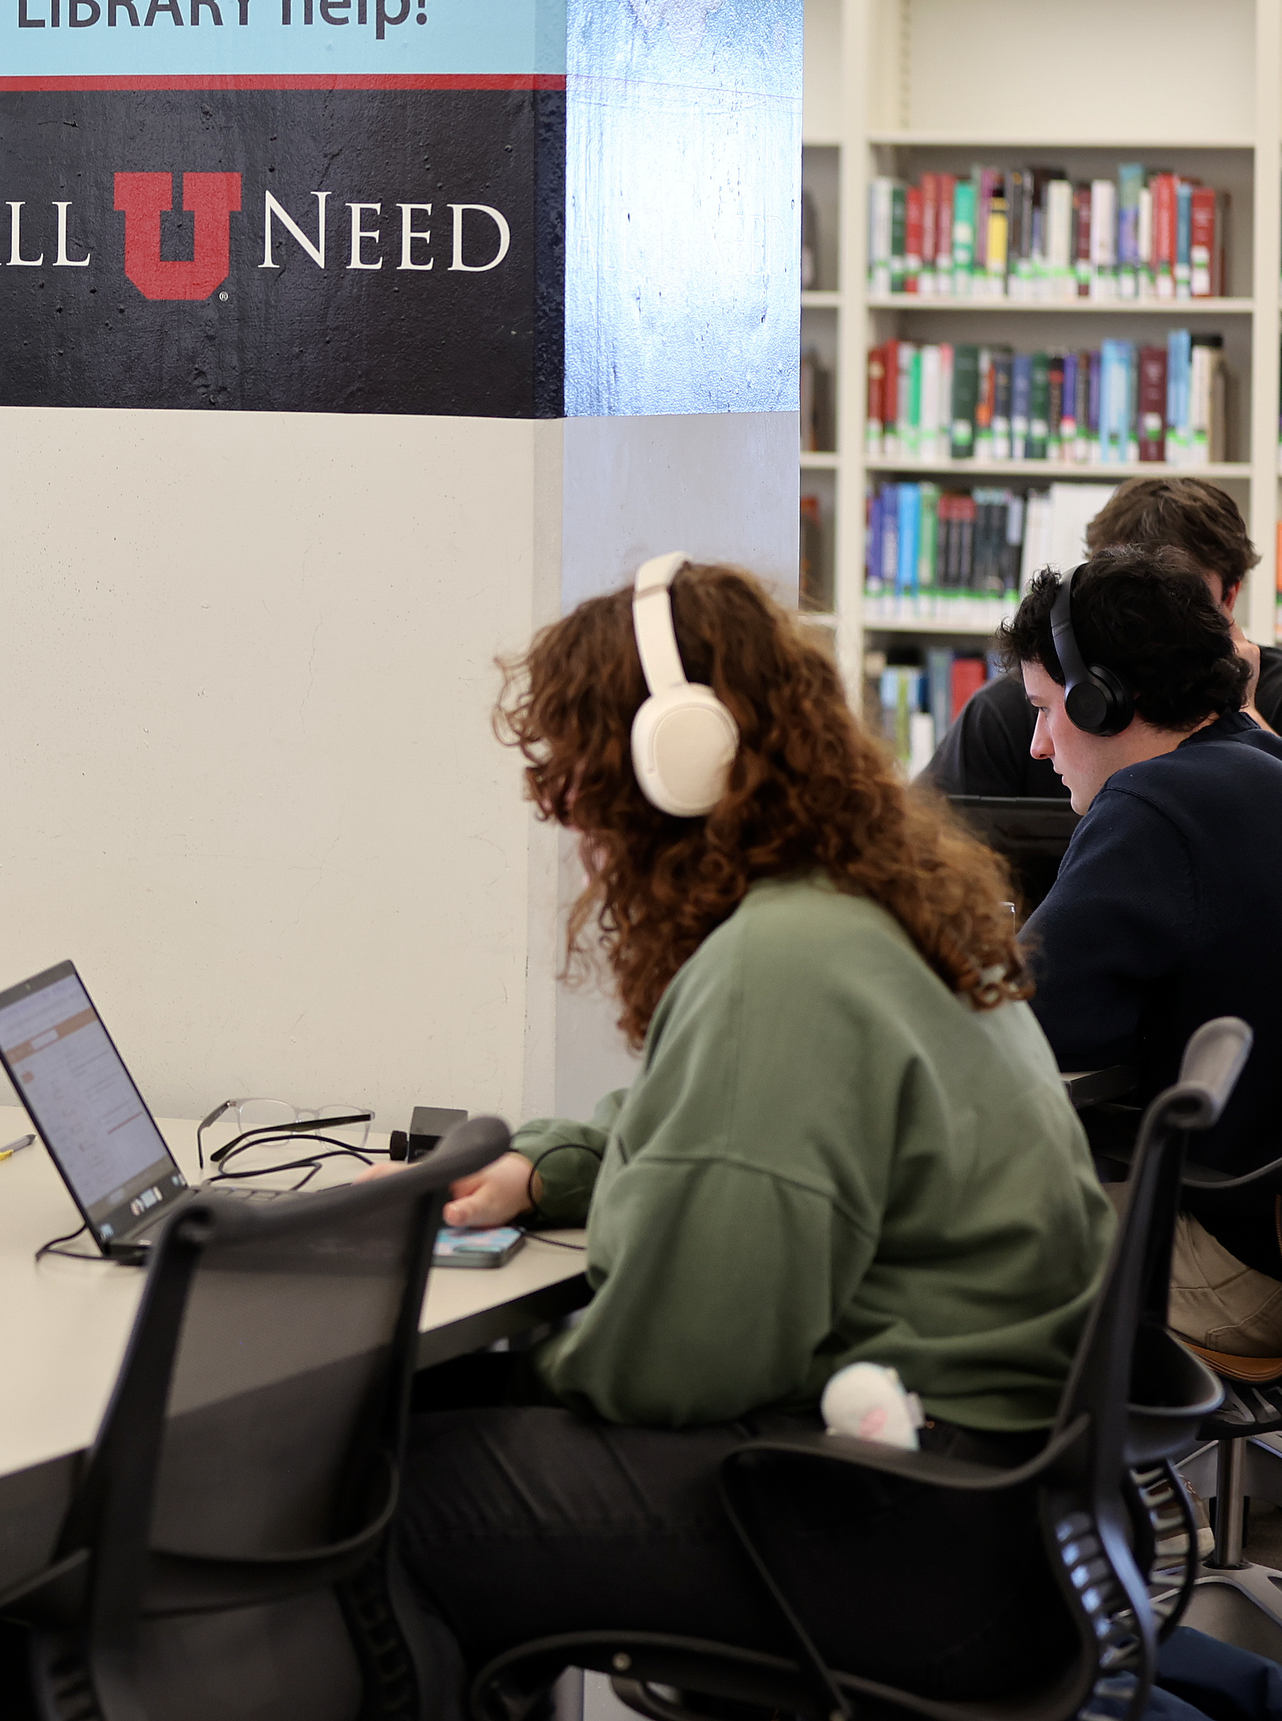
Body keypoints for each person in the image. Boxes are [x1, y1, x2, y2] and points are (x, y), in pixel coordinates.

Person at [377, 558, 1112, 1711]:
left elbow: (682, 1357)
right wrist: (548, 1166)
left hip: (897, 1531)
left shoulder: (782, 964)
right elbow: (714, 1115)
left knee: (387, 1491)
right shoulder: (859, 907)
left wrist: (514, 1372)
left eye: (576, 776)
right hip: (987, 1506)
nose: (564, 815)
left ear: (683, 761)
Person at [1003, 547, 1282, 1357]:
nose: (1038, 748)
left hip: (1250, 1271)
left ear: (1105, 699)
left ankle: (1003, 1480)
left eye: (1047, 709)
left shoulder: (1154, 805)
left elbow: (1017, 1026)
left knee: (935, 1242)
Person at [923, 476, 1282, 797]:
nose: (1140, 624)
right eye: (1115, 595)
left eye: (1177, 595)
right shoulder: (1016, 712)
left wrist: (1242, 715)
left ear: (1229, 595)